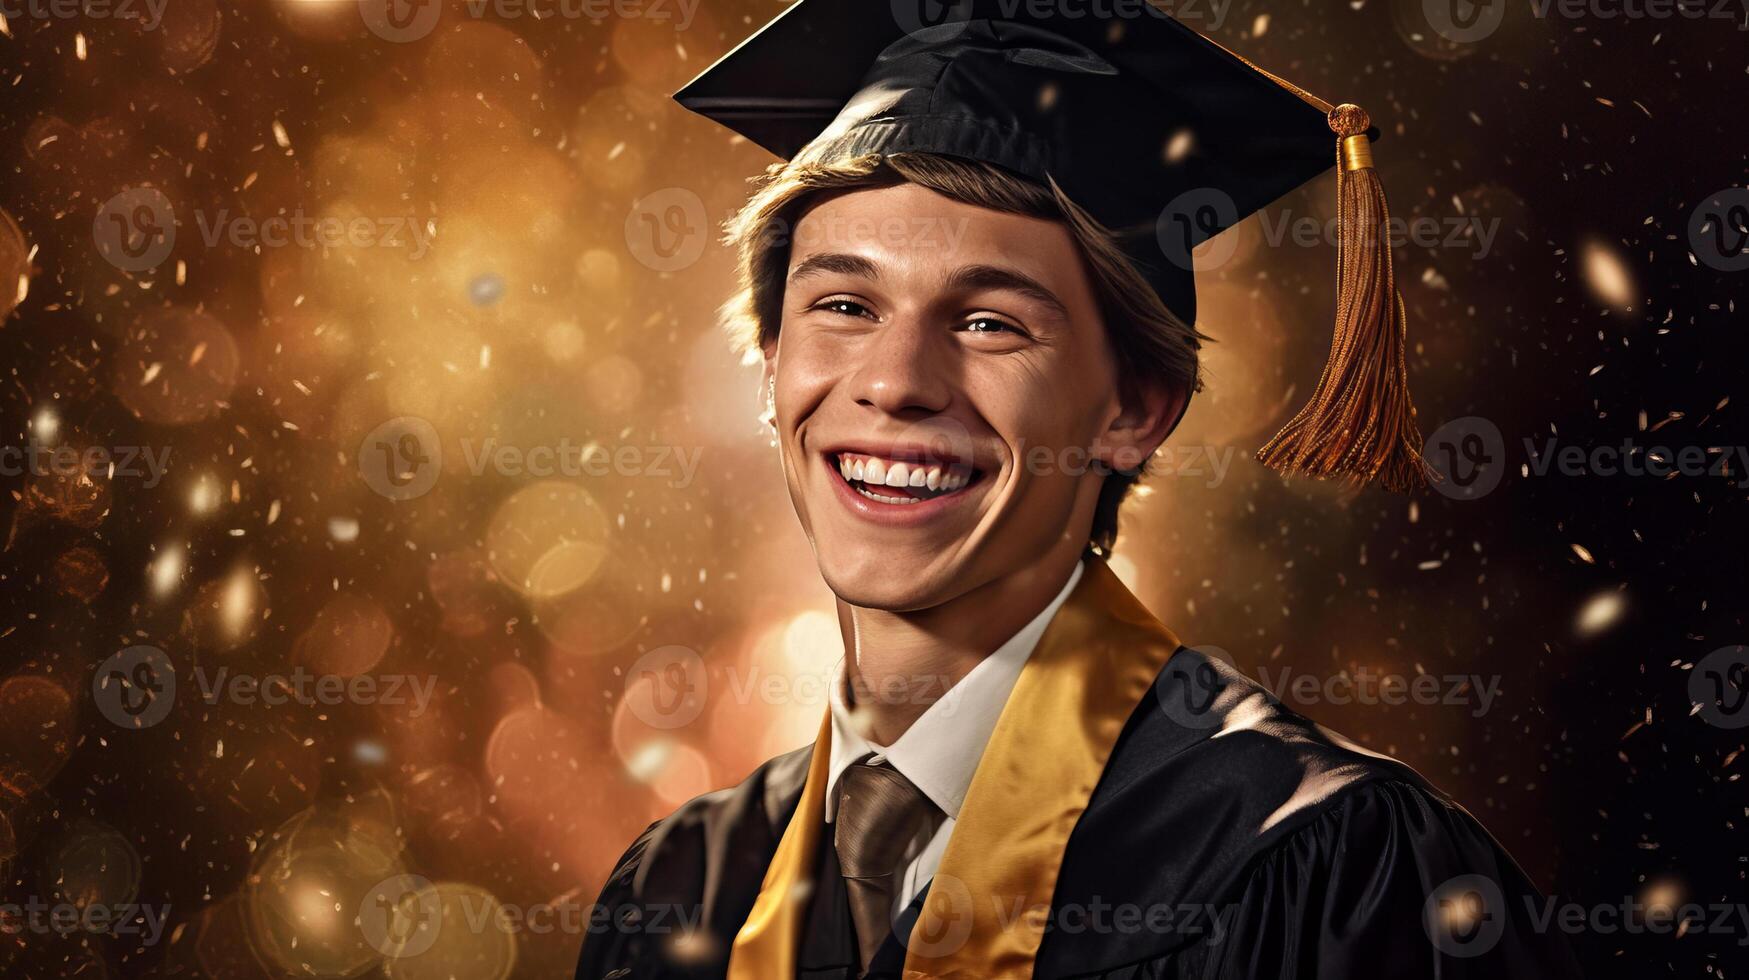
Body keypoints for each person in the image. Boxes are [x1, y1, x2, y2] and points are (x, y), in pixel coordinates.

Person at [578, 1, 1582, 976]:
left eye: (989, 323)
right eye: (843, 303)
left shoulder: (1327, 865)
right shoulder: (682, 888)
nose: (892, 381)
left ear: (1136, 407)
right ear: (769, 362)